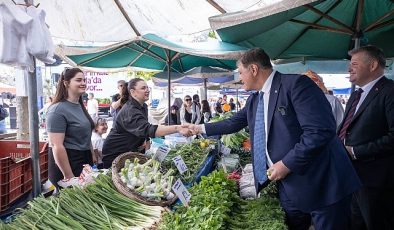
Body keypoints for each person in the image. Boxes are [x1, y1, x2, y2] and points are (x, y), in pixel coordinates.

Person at [187, 48, 361, 230]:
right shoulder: (255, 100)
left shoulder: (296, 85)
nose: (239, 78)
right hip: (288, 185)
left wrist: (286, 164)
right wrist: (197, 128)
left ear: (253, 69)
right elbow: (233, 123)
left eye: (240, 72)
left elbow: (320, 131)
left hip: (322, 184)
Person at [338, 45, 394, 230]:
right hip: (353, 175)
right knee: (356, 223)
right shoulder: (355, 94)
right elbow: (345, 130)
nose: (349, 68)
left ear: (373, 65)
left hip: (377, 180)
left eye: (354, 63)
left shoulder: (389, 91)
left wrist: (355, 151)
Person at [102, 78, 191, 168]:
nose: (147, 90)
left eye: (147, 88)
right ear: (133, 92)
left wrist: (143, 141)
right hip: (114, 154)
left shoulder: (143, 106)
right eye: (143, 88)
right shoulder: (130, 110)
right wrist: (178, 128)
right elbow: (148, 130)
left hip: (129, 151)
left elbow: (144, 127)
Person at [46, 68, 95, 188]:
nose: (83, 83)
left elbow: (86, 134)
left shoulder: (79, 106)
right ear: (66, 83)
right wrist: (69, 177)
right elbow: (56, 146)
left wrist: (92, 155)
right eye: (78, 80)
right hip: (68, 162)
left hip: (83, 159)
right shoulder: (57, 110)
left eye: (84, 80)